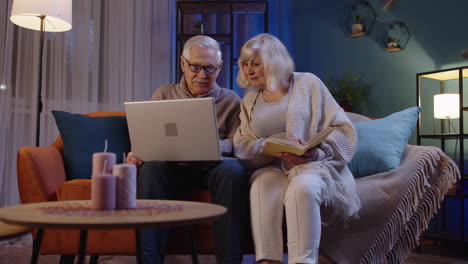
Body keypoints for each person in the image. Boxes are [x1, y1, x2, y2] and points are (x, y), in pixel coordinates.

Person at [233, 33, 361, 264]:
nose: (248, 70)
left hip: (311, 164)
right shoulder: (249, 101)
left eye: (255, 64)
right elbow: (241, 143)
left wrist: (318, 152)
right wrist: (263, 145)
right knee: (261, 186)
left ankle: (303, 261)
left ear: (273, 62)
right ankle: (267, 260)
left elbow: (343, 127)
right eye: (244, 64)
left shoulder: (307, 83)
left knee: (302, 189)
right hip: (271, 165)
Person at [126, 35, 249, 264]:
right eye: (195, 67)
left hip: (213, 168)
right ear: (183, 64)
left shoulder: (231, 100)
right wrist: (140, 151)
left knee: (233, 172)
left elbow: (238, 142)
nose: (202, 75)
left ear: (220, 68)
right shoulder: (163, 95)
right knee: (151, 170)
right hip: (171, 168)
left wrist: (212, 144)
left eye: (210, 68)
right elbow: (148, 136)